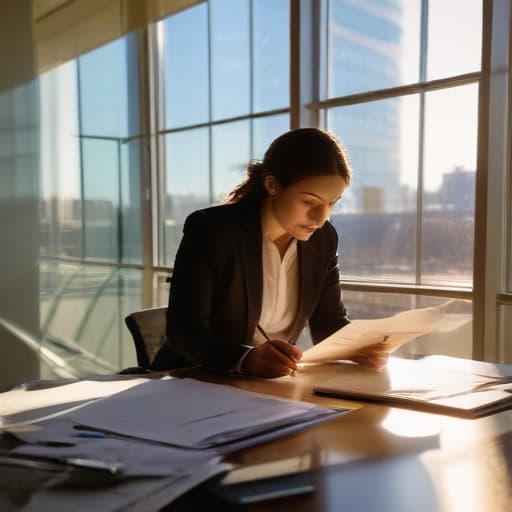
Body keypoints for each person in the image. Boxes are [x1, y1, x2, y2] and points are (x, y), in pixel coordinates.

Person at [151, 128, 388, 377]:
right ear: (273, 185)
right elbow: (185, 332)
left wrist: (359, 346)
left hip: (269, 387)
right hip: (192, 380)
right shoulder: (212, 230)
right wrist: (246, 359)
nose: (320, 218)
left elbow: (328, 321)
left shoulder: (324, 239)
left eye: (332, 203)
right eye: (309, 201)